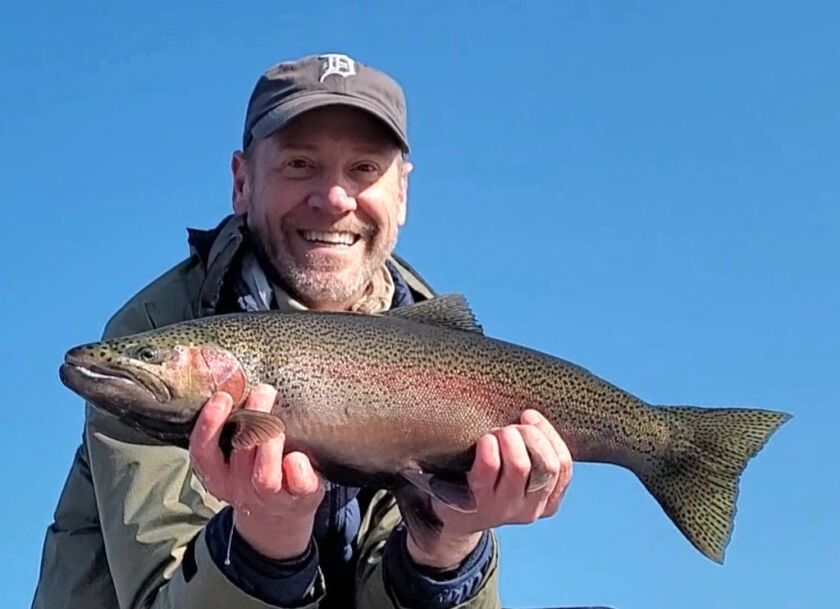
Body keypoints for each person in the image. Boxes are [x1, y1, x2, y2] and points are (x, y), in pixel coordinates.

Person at [32, 53, 573, 609]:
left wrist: (448, 543)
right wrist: (265, 542)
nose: (334, 199)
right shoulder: (159, 325)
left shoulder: (449, 357)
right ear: (242, 182)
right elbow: (157, 596)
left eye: (363, 169)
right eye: (299, 165)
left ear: (402, 194)